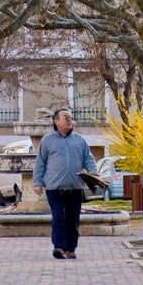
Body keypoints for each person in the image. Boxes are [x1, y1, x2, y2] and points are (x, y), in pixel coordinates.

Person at [32, 107, 99, 259]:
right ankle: (59, 247)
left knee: (72, 220)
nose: (69, 120)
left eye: (70, 117)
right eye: (65, 117)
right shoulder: (47, 141)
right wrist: (37, 182)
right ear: (56, 121)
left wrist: (93, 172)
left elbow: (88, 158)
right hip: (54, 188)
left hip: (75, 188)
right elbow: (40, 163)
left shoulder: (79, 140)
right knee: (58, 218)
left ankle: (70, 249)